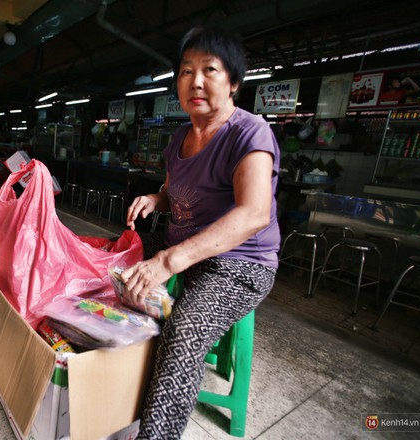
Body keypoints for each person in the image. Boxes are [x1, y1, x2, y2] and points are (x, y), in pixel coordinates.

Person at [122, 25, 280, 439]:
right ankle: (109, 380)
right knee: (116, 256)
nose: (195, 81)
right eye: (186, 71)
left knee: (185, 327)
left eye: (210, 69)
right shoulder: (180, 136)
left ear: (234, 83)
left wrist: (167, 262)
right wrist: (157, 200)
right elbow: (177, 189)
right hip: (185, 247)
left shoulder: (250, 133)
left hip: (239, 265)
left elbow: (253, 214)